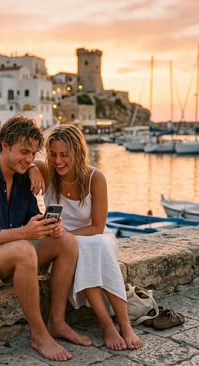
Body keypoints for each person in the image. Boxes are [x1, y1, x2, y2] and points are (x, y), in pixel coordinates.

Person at [0, 115, 92, 362]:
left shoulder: (24, 176)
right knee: (23, 249)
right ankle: (39, 335)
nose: (29, 159)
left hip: (5, 252)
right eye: (24, 152)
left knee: (66, 241)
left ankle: (56, 322)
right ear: (5, 145)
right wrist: (25, 233)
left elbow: (33, 216)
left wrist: (50, 228)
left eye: (33, 154)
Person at [29, 124, 142, 351]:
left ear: (77, 153)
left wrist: (66, 236)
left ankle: (124, 325)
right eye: (53, 154)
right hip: (66, 244)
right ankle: (108, 325)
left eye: (64, 155)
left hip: (95, 235)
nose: (58, 160)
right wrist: (33, 168)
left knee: (92, 246)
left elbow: (98, 227)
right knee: (84, 249)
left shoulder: (95, 178)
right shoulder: (48, 171)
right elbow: (24, 162)